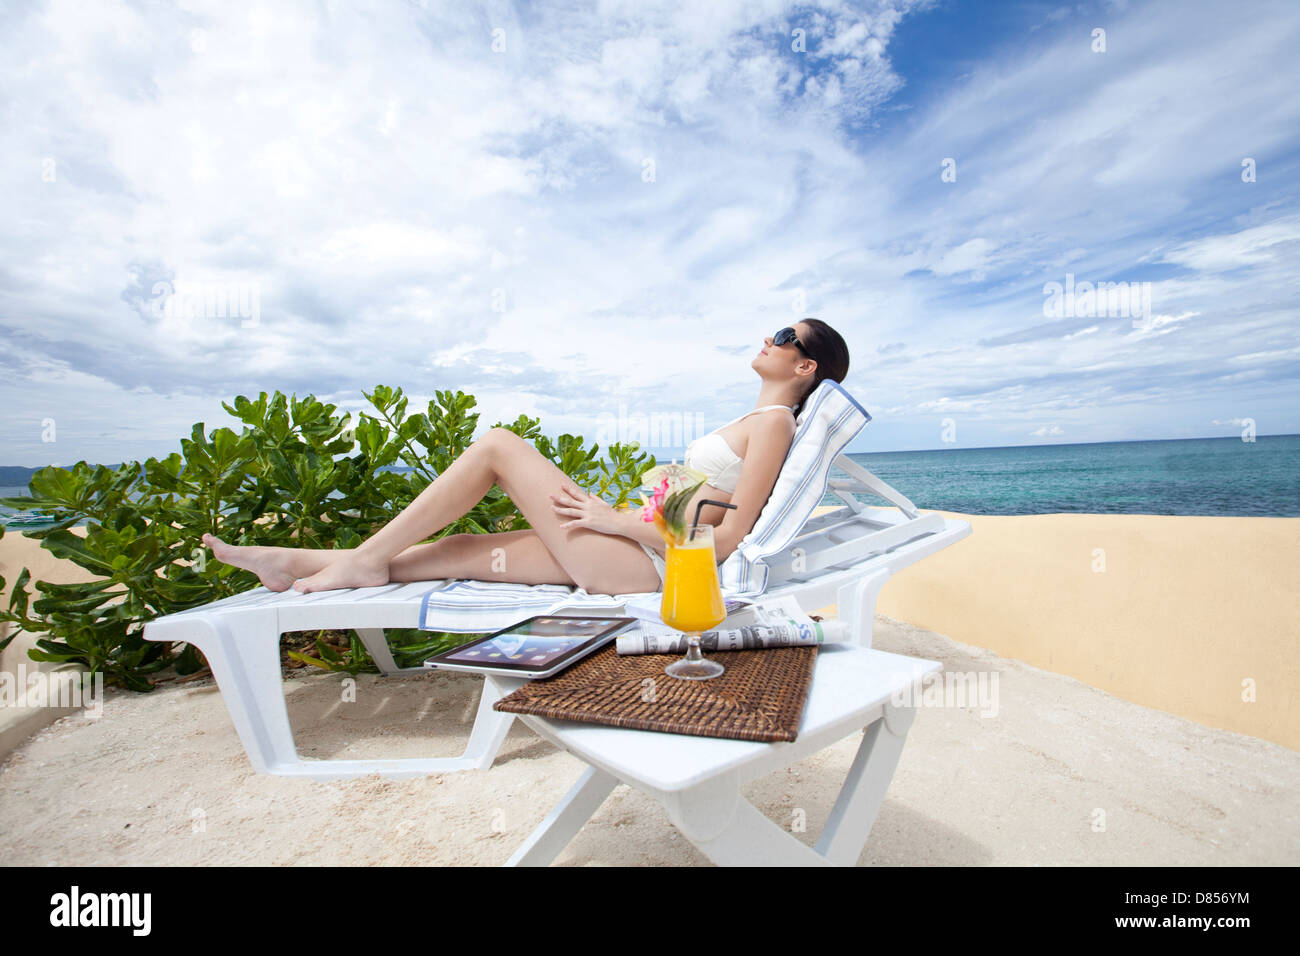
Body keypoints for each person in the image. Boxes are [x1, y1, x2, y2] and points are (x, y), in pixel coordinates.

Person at [204, 319, 850, 596]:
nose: (770, 337)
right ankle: (295, 562)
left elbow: (731, 538)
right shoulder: (750, 419)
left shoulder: (773, 424)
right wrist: (634, 511)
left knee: (497, 445)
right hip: (637, 545)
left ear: (805, 364)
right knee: (460, 549)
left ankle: (366, 561)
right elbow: (698, 507)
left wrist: (609, 519)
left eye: (786, 336)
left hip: (648, 566)